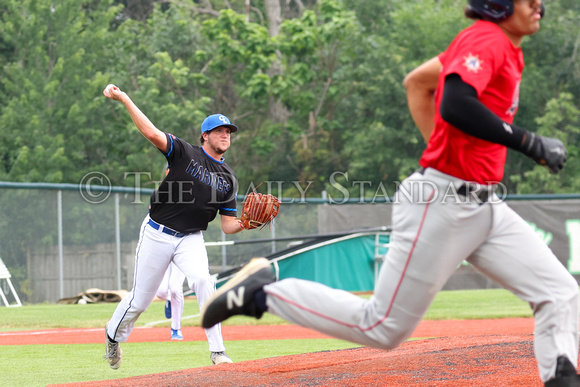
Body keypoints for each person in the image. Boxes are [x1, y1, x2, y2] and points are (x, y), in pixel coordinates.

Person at [200, 1, 580, 386]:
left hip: (482, 203)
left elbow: (418, 81)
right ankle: (265, 292)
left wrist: (445, 150)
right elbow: (455, 103)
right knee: (383, 326)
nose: (538, 5)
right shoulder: (486, 39)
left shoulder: (497, 47)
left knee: (560, 293)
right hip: (444, 202)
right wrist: (529, 143)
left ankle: (561, 378)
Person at [102, 83, 247, 369]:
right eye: (219, 131)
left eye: (229, 132)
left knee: (204, 281)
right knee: (139, 303)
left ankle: (218, 351)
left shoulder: (229, 178)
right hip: (157, 233)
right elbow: (151, 132)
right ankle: (112, 336)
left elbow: (229, 225)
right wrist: (125, 97)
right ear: (205, 135)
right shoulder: (184, 152)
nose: (225, 135)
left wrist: (248, 223)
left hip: (190, 239)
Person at [156, 262, 186, 340]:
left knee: (175, 289)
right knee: (160, 291)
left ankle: (176, 329)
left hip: (180, 253)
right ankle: (170, 299)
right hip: (163, 252)